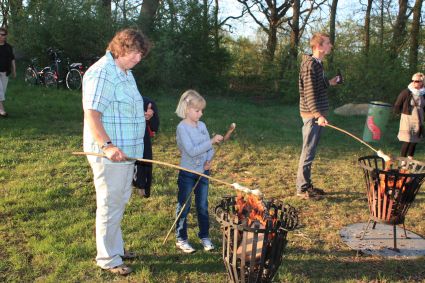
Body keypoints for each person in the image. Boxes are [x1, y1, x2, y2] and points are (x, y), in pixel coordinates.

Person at [82, 28, 151, 276]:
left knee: (119, 202)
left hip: (128, 153)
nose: (138, 59)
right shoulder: (102, 73)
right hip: (110, 154)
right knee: (110, 204)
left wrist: (141, 116)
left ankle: (116, 248)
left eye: (141, 54)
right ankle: (108, 258)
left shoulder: (125, 72)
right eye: (134, 53)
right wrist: (107, 145)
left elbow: (119, 107)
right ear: (120, 47)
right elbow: (92, 114)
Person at [174, 89, 223, 253]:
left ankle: (204, 236)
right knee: (184, 206)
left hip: (203, 172)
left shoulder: (202, 126)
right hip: (188, 173)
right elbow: (192, 150)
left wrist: (209, 159)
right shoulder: (182, 128)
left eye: (202, 110)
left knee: (202, 205)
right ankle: (181, 238)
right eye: (197, 110)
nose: (201, 114)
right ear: (187, 110)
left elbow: (208, 149)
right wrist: (212, 141)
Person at [296, 32, 339, 200]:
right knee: (308, 152)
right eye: (328, 43)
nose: (330, 46)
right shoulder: (309, 65)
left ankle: (306, 184)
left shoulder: (318, 64)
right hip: (312, 114)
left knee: (310, 151)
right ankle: (302, 189)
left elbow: (317, 86)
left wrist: (330, 82)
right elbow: (309, 93)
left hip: (316, 113)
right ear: (319, 46)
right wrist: (318, 115)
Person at [393, 72, 425, 160]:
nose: (415, 82)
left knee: (414, 141)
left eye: (417, 81)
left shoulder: (424, 93)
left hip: (419, 119)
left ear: (422, 82)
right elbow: (397, 104)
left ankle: (410, 160)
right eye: (413, 80)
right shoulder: (406, 92)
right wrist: (398, 113)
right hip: (408, 119)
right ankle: (403, 162)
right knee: (407, 140)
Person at [133, 98, 159, 197]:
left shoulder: (147, 103)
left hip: (142, 139)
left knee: (143, 159)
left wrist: (150, 116)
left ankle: (142, 185)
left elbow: (155, 127)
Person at [0, 27, 16, 117]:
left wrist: (14, 70)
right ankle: (2, 110)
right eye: (0, 34)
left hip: (5, 72)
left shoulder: (8, 47)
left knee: (3, 91)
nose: (1, 36)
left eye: (3, 34)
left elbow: (12, 59)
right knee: (0, 91)